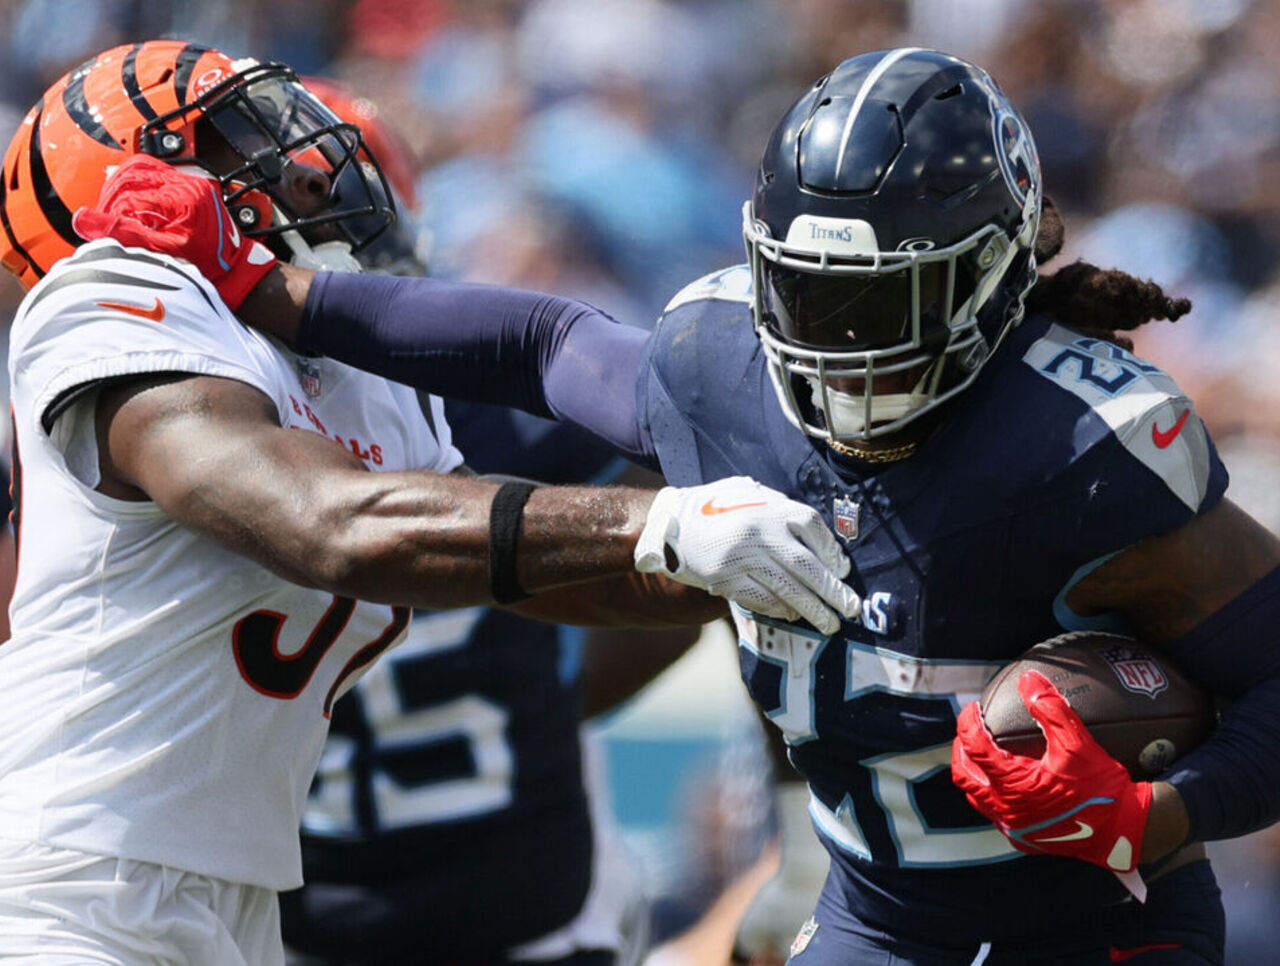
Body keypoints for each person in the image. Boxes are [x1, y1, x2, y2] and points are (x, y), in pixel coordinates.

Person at [76, 45, 1280, 965]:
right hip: (874, 913)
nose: (827, 344)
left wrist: (1161, 814)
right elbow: (539, 338)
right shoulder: (724, 364)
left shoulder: (1079, 446)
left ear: (989, 274)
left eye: (872, 308)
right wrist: (271, 291)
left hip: (1085, 925)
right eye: (802, 295)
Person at [0, 40, 864, 966]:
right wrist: (661, 525)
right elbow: (331, 524)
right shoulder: (107, 294)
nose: (301, 164)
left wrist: (783, 565)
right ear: (142, 182)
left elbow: (511, 568)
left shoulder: (336, 369)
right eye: (236, 133)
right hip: (72, 881)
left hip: (234, 906)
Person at [280, 78, 695, 966]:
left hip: (310, 908)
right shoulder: (488, 412)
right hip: (525, 890)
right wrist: (544, 695)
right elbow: (693, 568)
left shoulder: (197, 436)